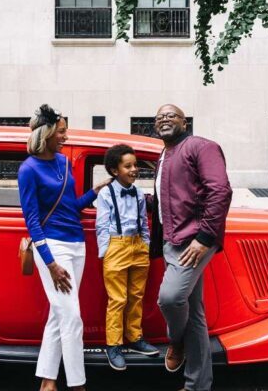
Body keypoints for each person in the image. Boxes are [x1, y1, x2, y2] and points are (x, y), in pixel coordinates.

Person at [18, 104, 112, 391]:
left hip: (77, 244)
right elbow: (32, 221)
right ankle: (77, 384)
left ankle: (48, 382)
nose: (66, 136)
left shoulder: (63, 162)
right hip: (53, 246)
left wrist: (94, 192)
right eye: (61, 132)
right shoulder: (28, 169)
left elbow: (70, 206)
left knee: (59, 315)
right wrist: (50, 263)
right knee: (72, 317)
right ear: (46, 134)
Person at [151, 104, 233, 391]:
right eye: (159, 117)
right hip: (171, 241)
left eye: (171, 115)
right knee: (195, 314)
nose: (164, 119)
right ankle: (197, 385)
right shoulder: (164, 155)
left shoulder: (201, 146)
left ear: (185, 122)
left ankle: (175, 341)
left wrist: (205, 238)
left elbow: (220, 190)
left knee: (170, 299)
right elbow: (171, 196)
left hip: (193, 241)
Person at [95, 144, 160, 371]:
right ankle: (114, 344)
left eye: (135, 165)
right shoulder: (106, 193)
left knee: (136, 295)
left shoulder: (139, 193)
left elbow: (143, 220)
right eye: (128, 166)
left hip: (138, 246)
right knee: (118, 299)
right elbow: (102, 224)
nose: (134, 169)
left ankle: (135, 338)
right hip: (117, 246)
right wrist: (106, 252)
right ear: (115, 171)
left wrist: (146, 244)